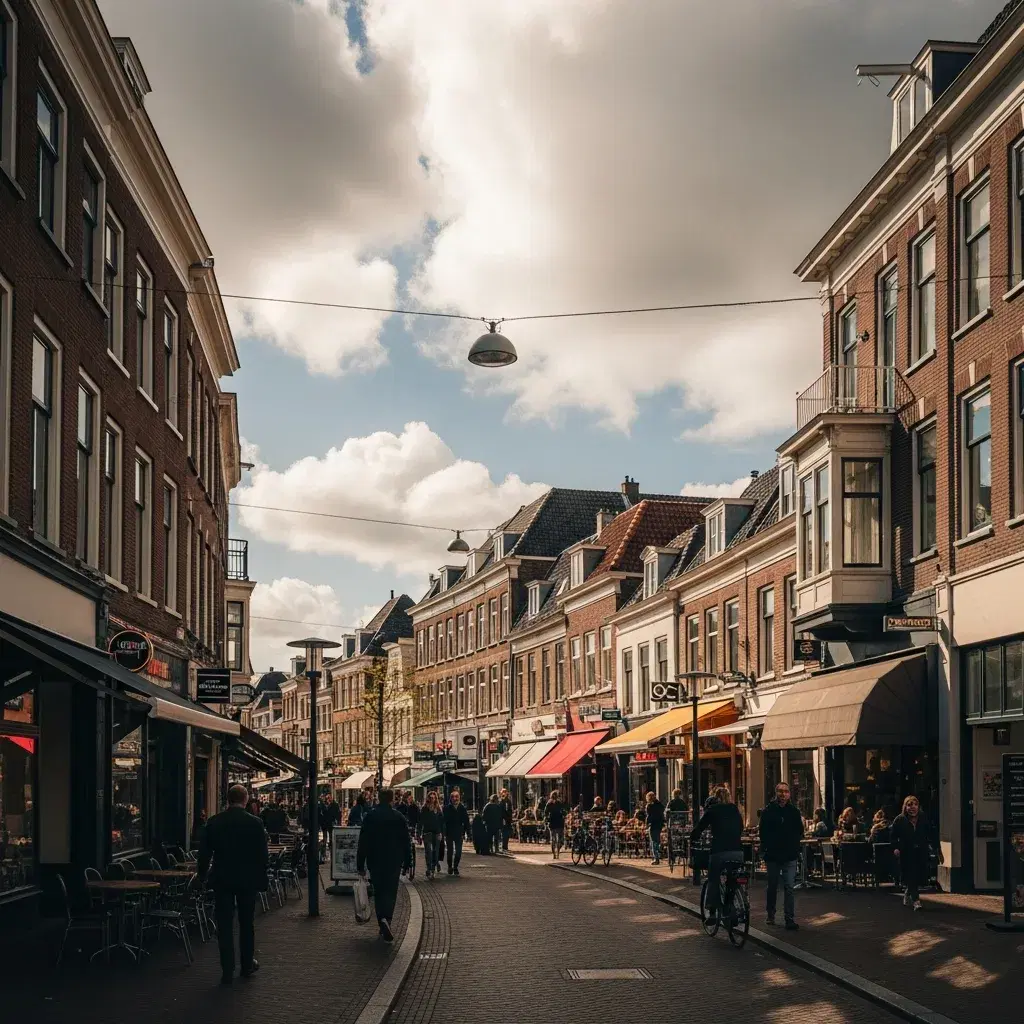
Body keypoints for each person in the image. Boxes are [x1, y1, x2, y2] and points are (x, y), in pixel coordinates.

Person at [198, 784, 269, 985]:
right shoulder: (255, 823)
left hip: (222, 879)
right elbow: (262, 856)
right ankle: (246, 965)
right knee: (247, 924)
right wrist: (262, 878)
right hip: (247, 880)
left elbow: (204, 855)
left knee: (225, 925)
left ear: (228, 800)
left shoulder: (214, 822)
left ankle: (227, 969)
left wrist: (202, 876)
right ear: (245, 800)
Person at [356, 788, 411, 942]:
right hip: (394, 860)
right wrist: (408, 862)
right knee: (391, 891)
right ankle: (388, 919)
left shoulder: (370, 816)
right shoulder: (399, 817)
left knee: (379, 891)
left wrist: (360, 864)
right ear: (392, 799)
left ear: (378, 798)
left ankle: (382, 920)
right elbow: (406, 841)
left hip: (376, 859)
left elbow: (363, 841)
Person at [691, 785, 744, 922]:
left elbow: (699, 829)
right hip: (737, 851)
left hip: (719, 851)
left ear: (714, 798)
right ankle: (730, 905)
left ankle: (712, 912)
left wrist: (693, 838)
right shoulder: (734, 809)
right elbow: (741, 827)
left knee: (713, 878)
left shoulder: (712, 810)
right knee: (732, 879)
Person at [759, 782, 803, 931]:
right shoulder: (769, 811)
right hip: (772, 855)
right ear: (776, 793)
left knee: (789, 887)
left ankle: (789, 918)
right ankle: (771, 914)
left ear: (789, 794)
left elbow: (799, 831)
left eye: (785, 792)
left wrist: (794, 846)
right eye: (780, 792)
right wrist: (766, 848)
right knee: (772, 886)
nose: (783, 794)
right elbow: (762, 832)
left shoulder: (794, 812)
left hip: (790, 855)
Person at [891, 795, 930, 911]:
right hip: (906, 852)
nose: (912, 807)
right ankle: (916, 901)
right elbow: (893, 836)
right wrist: (896, 848)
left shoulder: (923, 818)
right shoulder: (899, 819)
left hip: (920, 851)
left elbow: (930, 832)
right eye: (909, 805)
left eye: (915, 804)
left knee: (917, 876)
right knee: (911, 874)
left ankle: (908, 891)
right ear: (905, 807)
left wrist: (936, 848)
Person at [443, 790, 471, 875]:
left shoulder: (462, 808)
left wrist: (468, 833)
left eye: (456, 797)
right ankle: (450, 866)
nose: (455, 799)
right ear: (450, 799)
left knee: (458, 851)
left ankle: (455, 867)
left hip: (459, 833)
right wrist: (444, 832)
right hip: (449, 833)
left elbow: (466, 821)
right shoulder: (446, 808)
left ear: (459, 798)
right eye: (453, 797)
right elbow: (443, 821)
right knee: (450, 851)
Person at [419, 791, 444, 879]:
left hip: (436, 833)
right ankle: (429, 868)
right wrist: (418, 833)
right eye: (430, 798)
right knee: (428, 852)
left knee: (435, 852)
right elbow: (420, 822)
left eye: (433, 798)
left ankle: (433, 868)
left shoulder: (439, 809)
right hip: (427, 833)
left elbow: (441, 822)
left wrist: (442, 833)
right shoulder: (424, 808)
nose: (432, 799)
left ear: (435, 798)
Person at [544, 790, 567, 859]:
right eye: (555, 795)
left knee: (559, 839)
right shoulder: (549, 803)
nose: (556, 797)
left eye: (556, 796)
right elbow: (545, 812)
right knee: (554, 839)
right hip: (554, 822)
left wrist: (564, 814)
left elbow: (564, 810)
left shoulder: (559, 803)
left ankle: (557, 851)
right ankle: (555, 852)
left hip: (558, 822)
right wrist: (547, 818)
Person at [645, 791, 665, 865]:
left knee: (653, 841)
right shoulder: (660, 805)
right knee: (657, 840)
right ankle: (660, 852)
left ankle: (656, 858)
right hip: (659, 825)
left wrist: (647, 824)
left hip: (653, 825)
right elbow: (662, 812)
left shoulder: (649, 806)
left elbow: (649, 816)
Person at [499, 788, 514, 853]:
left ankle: (505, 846)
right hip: (503, 819)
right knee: (503, 833)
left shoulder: (508, 801)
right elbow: (501, 811)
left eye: (505, 792)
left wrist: (510, 817)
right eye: (503, 792)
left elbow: (510, 810)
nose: (504, 793)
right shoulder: (500, 801)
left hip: (508, 819)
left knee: (507, 834)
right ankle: (503, 847)